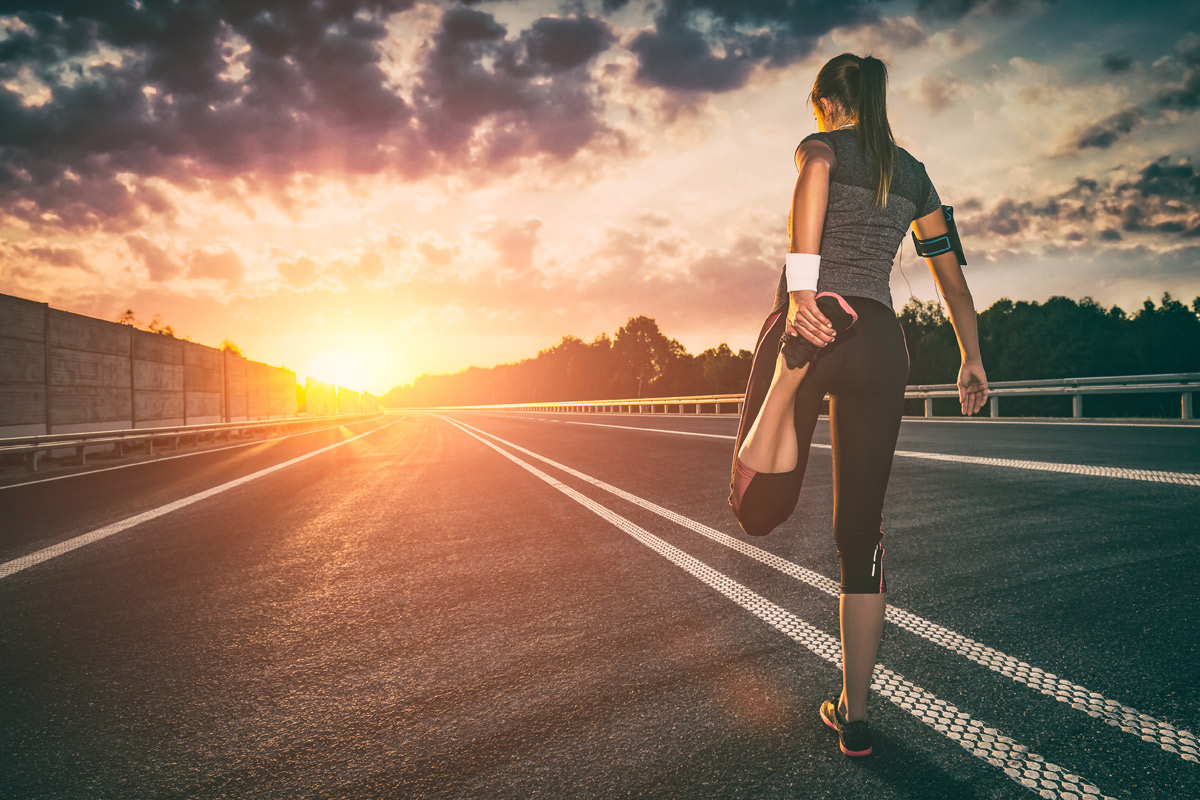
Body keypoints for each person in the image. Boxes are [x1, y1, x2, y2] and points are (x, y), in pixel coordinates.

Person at [726, 53, 989, 757]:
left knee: (756, 507)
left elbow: (814, 170)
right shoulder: (914, 174)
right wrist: (971, 356)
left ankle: (788, 376)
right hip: (879, 339)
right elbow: (954, 284)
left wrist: (802, 296)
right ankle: (858, 712)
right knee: (860, 535)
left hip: (813, 324)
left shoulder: (822, 146)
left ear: (824, 102)